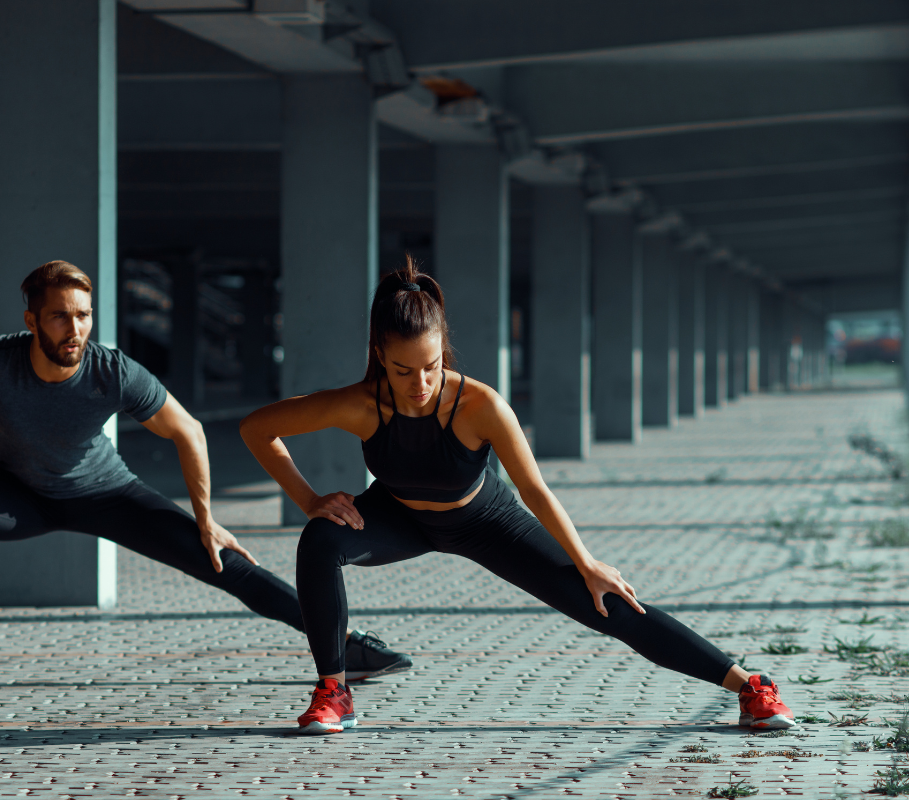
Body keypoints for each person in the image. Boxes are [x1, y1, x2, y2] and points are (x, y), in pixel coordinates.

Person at [240, 257, 796, 735]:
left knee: (604, 602)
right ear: (380, 353)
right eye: (404, 369)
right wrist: (310, 499)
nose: (419, 384)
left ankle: (750, 685)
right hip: (400, 515)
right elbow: (257, 429)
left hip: (487, 521)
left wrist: (587, 562)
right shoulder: (360, 404)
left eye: (431, 367)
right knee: (318, 540)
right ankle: (334, 692)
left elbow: (534, 488)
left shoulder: (480, 406)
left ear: (444, 352)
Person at [0, 260, 412, 690]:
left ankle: (345, 645)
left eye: (83, 314)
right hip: (20, 494)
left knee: (222, 561)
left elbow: (188, 431)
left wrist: (206, 519)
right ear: (31, 320)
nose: (74, 328)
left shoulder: (111, 370)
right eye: (59, 316)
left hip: (109, 494)